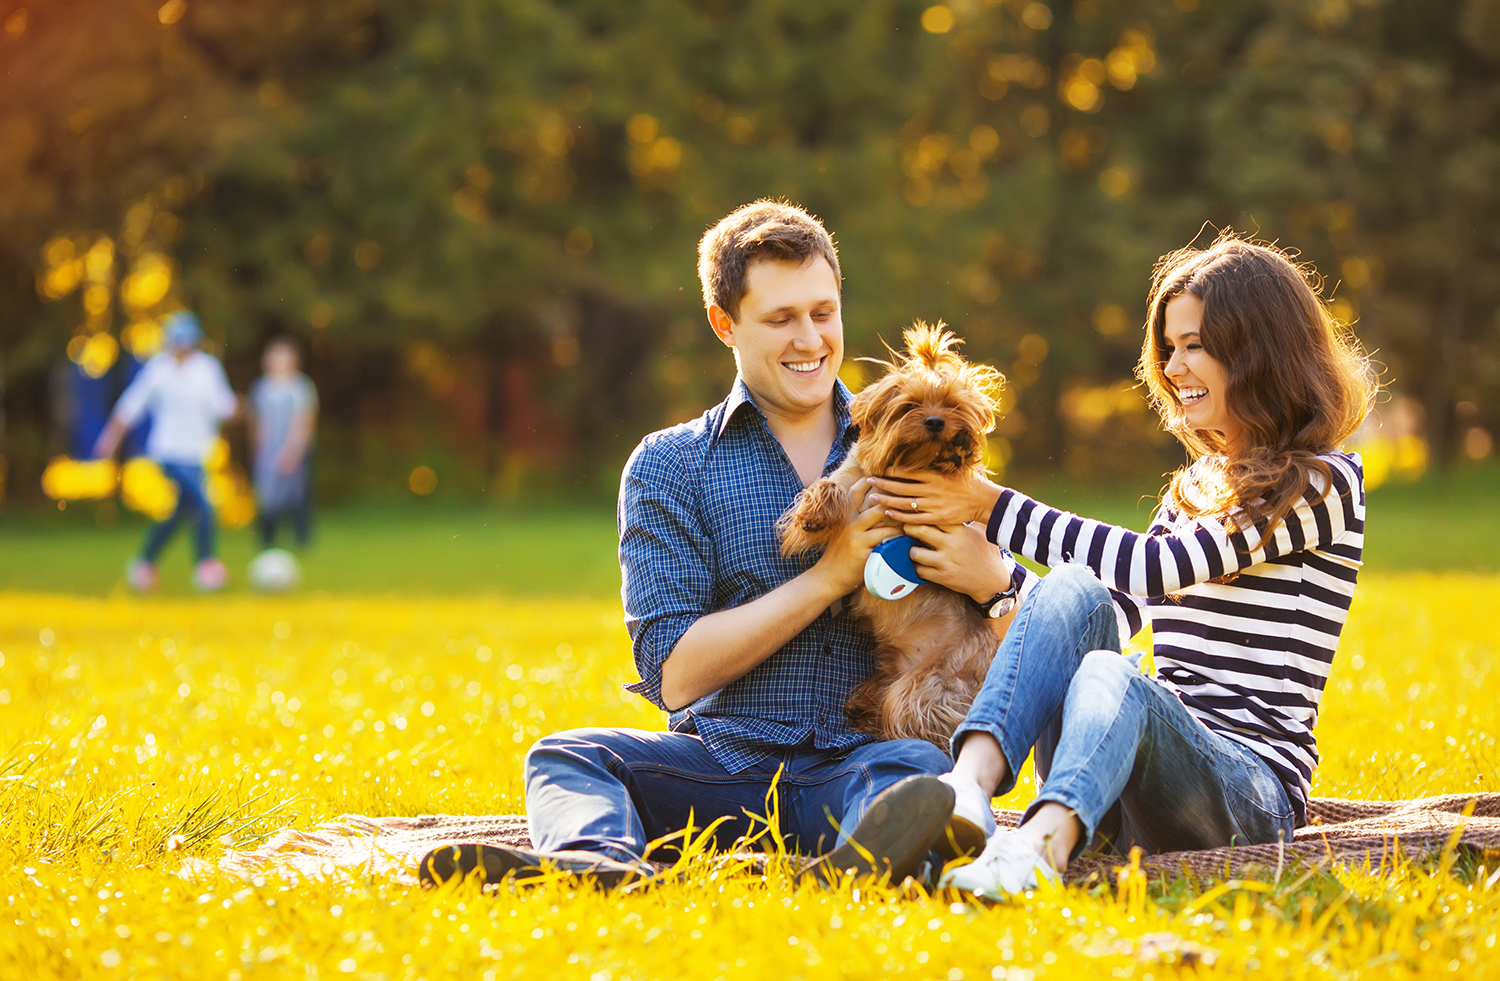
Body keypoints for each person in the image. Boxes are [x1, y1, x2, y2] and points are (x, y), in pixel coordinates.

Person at [421, 201, 968, 890]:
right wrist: (830, 577)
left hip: (861, 762)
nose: (810, 340)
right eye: (780, 319)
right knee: (568, 756)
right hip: (718, 767)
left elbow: (984, 597)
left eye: (822, 312)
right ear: (724, 323)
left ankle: (855, 862)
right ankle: (598, 864)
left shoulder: (913, 436)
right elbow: (674, 673)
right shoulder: (669, 466)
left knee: (920, 774)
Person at [869, 232, 1374, 897]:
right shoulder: (1193, 489)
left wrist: (992, 505)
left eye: (1196, 344)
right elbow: (1105, 610)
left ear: (1260, 351)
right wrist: (990, 582)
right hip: (1128, 781)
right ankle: (965, 790)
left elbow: (1155, 568)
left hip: (1248, 795)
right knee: (1076, 590)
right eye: (1168, 347)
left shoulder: (1325, 483)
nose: (1174, 367)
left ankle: (1039, 848)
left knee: (1114, 668)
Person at [94, 311, 239, 592]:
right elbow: (130, 408)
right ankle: (206, 565)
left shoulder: (208, 369)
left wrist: (241, 409)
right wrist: (109, 440)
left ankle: (144, 563)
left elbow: (223, 406)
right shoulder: (158, 369)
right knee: (202, 504)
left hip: (198, 453)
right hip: (168, 452)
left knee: (182, 512)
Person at [248, 336, 318, 551]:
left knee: (297, 496)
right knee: (267, 498)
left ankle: (302, 541)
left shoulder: (301, 386)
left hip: (295, 451)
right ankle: (267, 542)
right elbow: (257, 422)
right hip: (268, 453)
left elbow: (305, 420)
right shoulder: (260, 388)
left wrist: (294, 451)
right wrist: (258, 451)